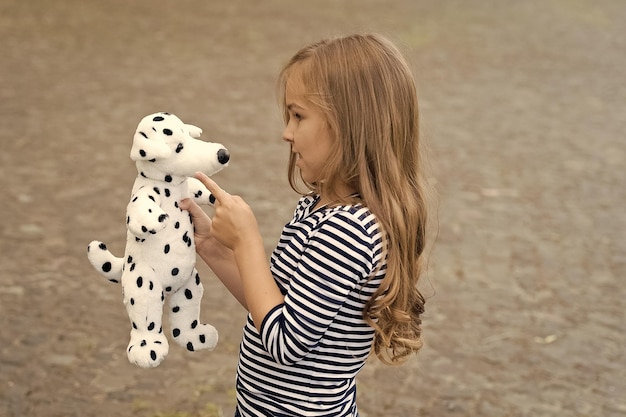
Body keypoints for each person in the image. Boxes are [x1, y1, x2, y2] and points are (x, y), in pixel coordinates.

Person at [180, 33, 430, 417]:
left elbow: (285, 342)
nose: (286, 132)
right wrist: (212, 246)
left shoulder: (351, 230)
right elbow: (272, 306)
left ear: (350, 125)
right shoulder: (318, 207)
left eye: (298, 116)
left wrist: (248, 241)